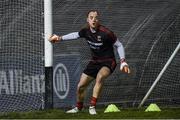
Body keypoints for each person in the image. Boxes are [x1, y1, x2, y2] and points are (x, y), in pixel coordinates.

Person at [49, 10, 130, 115]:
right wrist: (60, 38)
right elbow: (75, 35)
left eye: (96, 18)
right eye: (91, 17)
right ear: (87, 20)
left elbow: (119, 45)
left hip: (108, 61)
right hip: (95, 61)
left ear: (98, 20)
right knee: (80, 86)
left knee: (100, 77)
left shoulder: (106, 33)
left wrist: (123, 61)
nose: (93, 20)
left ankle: (92, 106)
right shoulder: (85, 31)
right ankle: (78, 108)